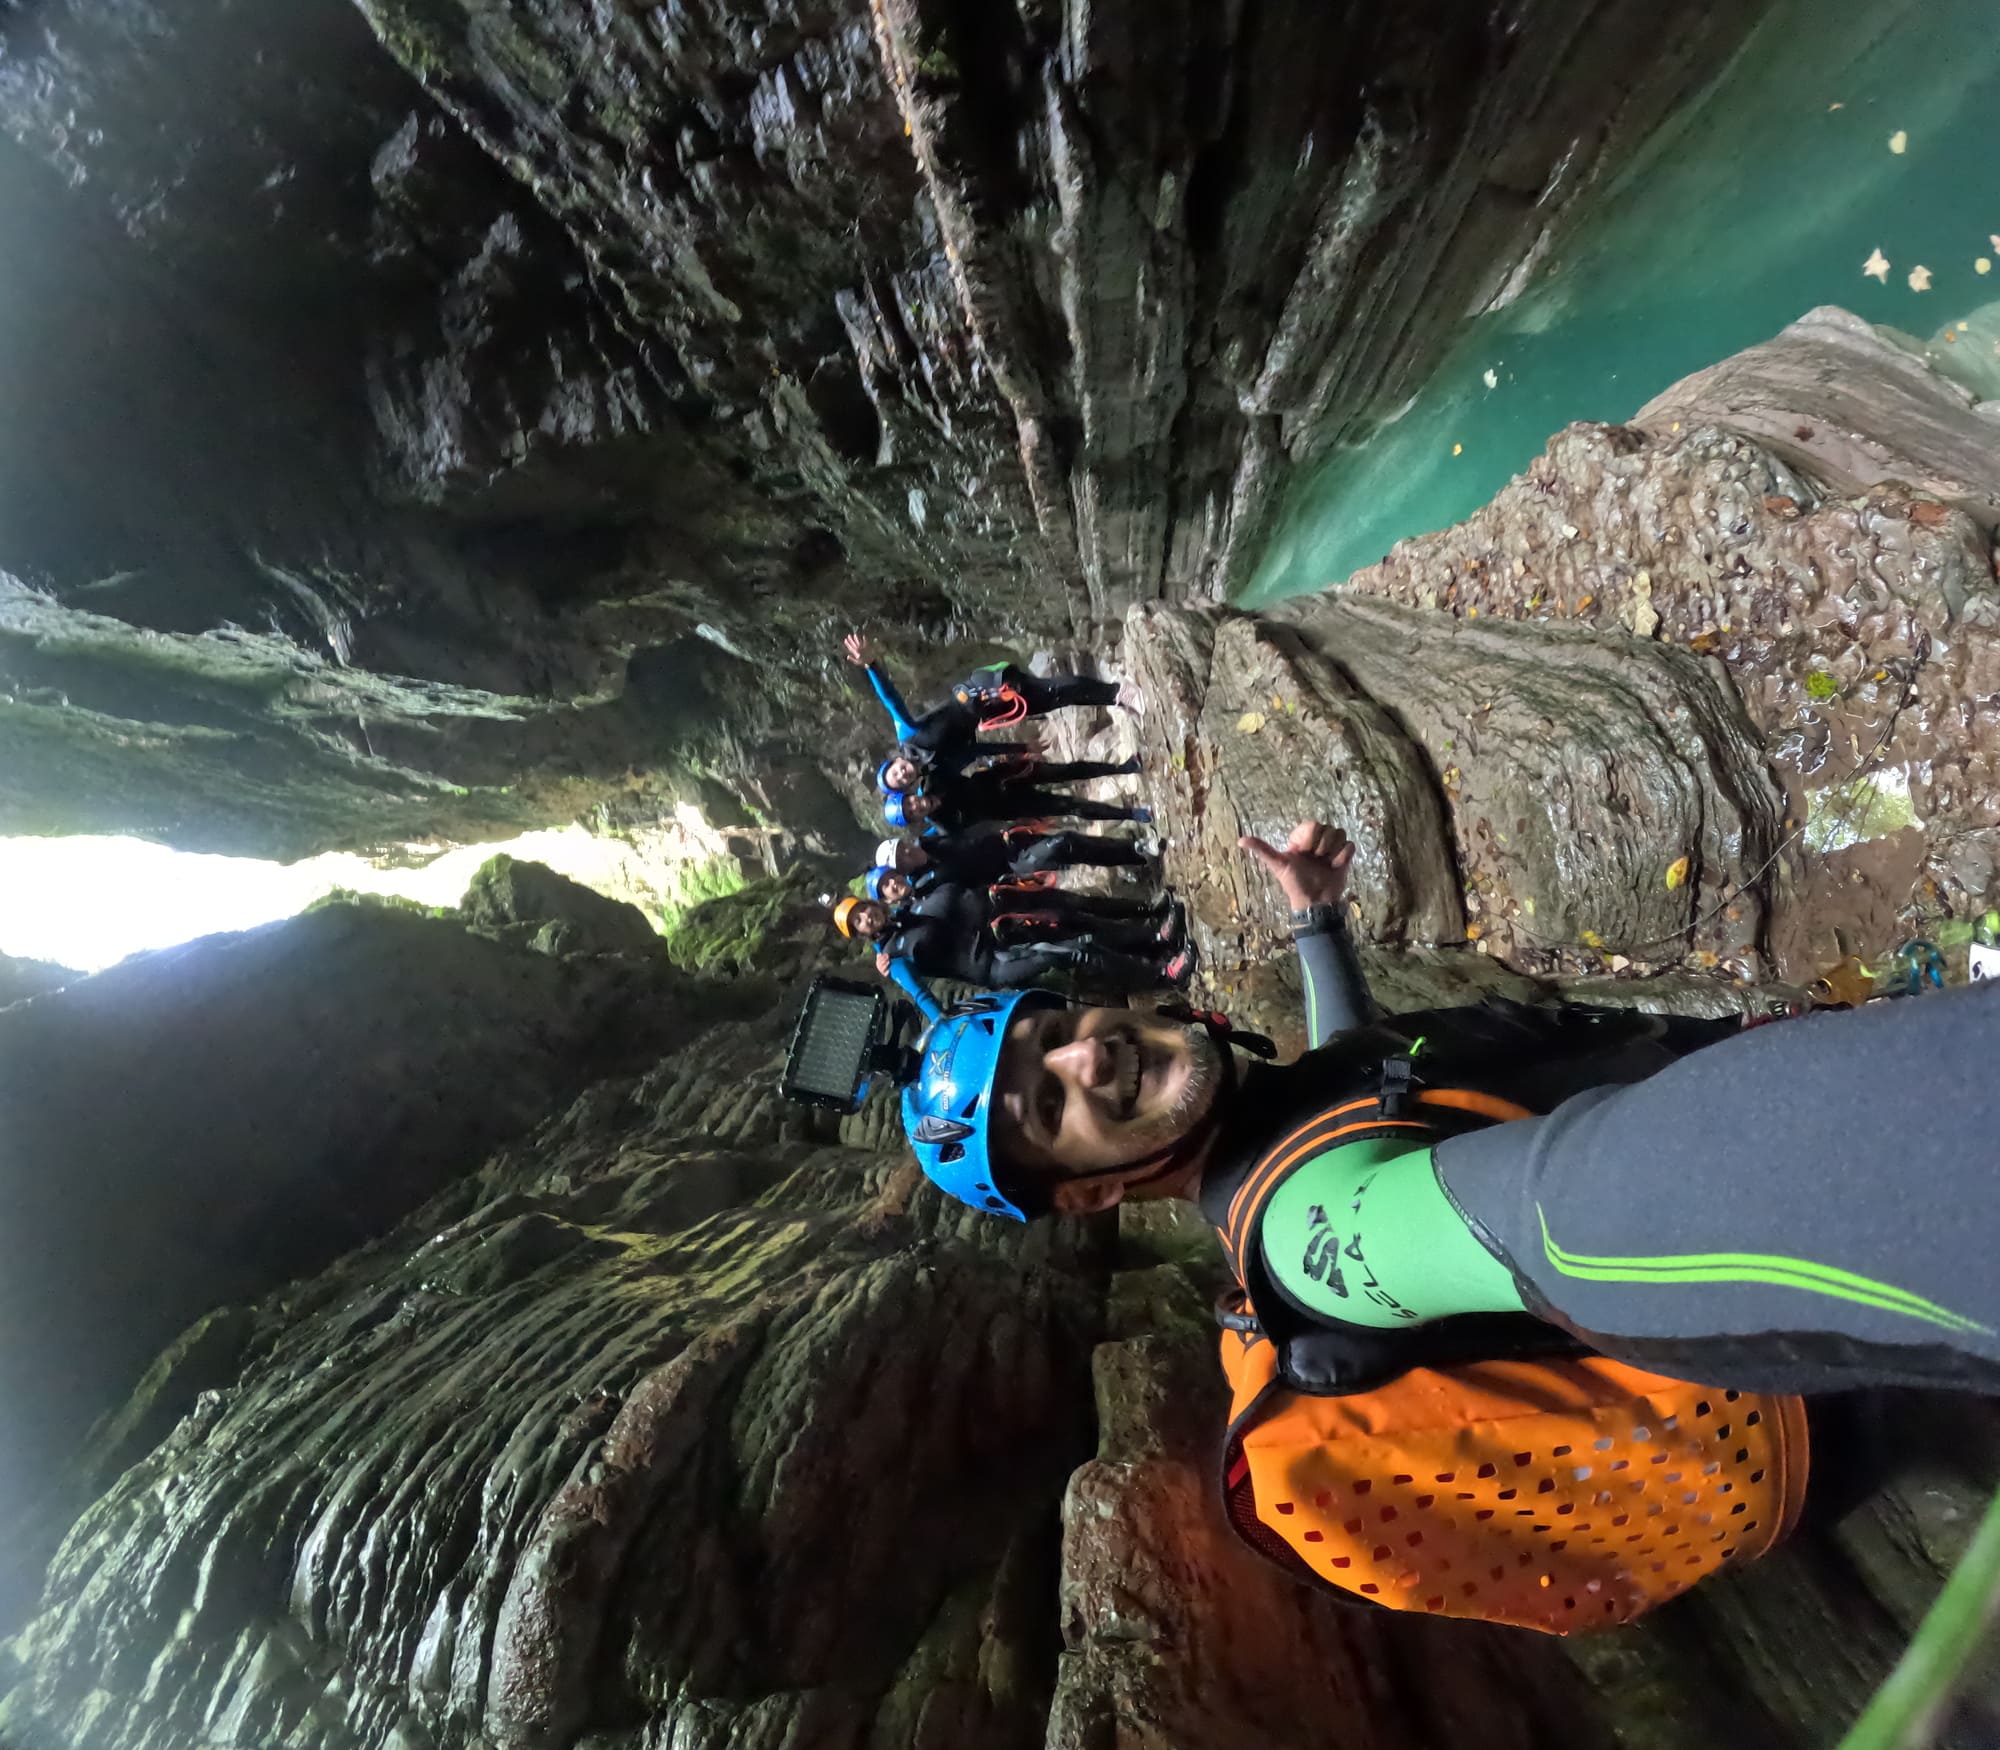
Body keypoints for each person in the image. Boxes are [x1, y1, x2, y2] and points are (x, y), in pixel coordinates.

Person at [889, 819, 2000, 1627]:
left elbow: (1353, 1083)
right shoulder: (1317, 1232)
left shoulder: (1273, 1134)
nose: (1088, 1059)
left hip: (1796, 1323)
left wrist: (1315, 926)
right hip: (1836, 1314)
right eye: (1051, 1108)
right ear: (1086, 1193)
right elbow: (1557, 1216)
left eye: (1055, 1034)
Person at [844, 633, 1138, 793]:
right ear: (909, 783)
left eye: (895, 771)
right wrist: (1021, 748)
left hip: (978, 690)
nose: (902, 773)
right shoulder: (939, 769)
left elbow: (892, 701)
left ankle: (1118, 691)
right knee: (1054, 702)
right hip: (990, 714)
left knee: (1049, 690)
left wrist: (873, 666)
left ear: (895, 761)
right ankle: (1116, 699)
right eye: (901, 780)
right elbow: (975, 751)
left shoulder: (908, 735)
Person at [831, 893, 1193, 993]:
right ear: (863, 934)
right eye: (859, 922)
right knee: (1068, 953)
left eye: (862, 910)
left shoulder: (904, 915)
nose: (866, 918)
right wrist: (885, 966)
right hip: (992, 967)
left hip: (996, 942)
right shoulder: (891, 955)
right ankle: (1163, 976)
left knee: (1080, 937)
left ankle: (1156, 940)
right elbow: (915, 989)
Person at [874, 828, 1156, 899]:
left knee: (1070, 847)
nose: (907, 853)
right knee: (1063, 844)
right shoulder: (929, 882)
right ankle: (1135, 850)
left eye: (902, 848)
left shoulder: (930, 840)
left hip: (1007, 843)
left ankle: (1132, 855)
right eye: (901, 859)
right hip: (1010, 869)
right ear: (902, 868)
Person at [886, 760, 1150, 834]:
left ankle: (1123, 768)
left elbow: (963, 757)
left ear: (909, 795)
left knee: (1065, 771)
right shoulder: (945, 825)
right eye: (911, 813)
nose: (915, 807)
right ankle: (1130, 815)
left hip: (1004, 777)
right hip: (1010, 805)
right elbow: (981, 829)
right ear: (916, 820)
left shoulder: (934, 779)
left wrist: (1005, 755)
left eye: (909, 803)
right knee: (1070, 806)